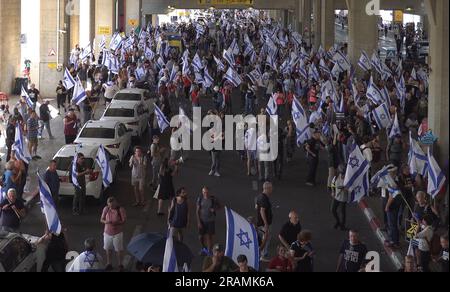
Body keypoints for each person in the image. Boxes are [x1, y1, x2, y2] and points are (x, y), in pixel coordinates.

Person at [100, 197, 127, 272]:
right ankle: (109, 263)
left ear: (115, 203)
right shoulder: (106, 209)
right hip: (107, 232)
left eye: (112, 206)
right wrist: (106, 222)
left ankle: (120, 264)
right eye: (109, 206)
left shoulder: (120, 209)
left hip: (117, 233)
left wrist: (116, 223)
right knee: (108, 249)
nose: (111, 207)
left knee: (118, 250)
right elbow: (101, 219)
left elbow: (124, 220)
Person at [197, 186, 221, 256]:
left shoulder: (213, 199)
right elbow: (197, 211)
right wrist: (198, 222)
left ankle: (209, 251)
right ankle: (203, 248)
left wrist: (214, 209)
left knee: (209, 237)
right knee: (200, 236)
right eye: (204, 192)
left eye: (207, 192)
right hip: (202, 220)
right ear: (202, 192)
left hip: (211, 221)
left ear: (209, 192)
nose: (206, 194)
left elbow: (220, 206)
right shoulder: (200, 199)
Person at [256, 182, 273, 261]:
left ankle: (261, 254)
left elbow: (256, 206)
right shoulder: (264, 198)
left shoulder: (259, 196)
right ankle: (262, 255)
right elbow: (262, 211)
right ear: (267, 188)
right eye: (271, 188)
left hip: (260, 222)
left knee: (262, 238)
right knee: (266, 238)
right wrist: (266, 224)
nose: (272, 190)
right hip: (263, 224)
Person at [331, 165, 349, 231]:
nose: (342, 175)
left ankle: (342, 225)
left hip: (343, 198)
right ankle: (338, 221)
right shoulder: (335, 177)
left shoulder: (347, 179)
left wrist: (345, 188)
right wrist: (333, 191)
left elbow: (350, 188)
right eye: (341, 173)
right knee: (333, 210)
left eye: (343, 174)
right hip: (336, 196)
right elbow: (332, 184)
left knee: (342, 212)